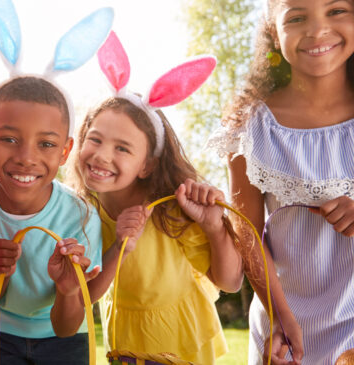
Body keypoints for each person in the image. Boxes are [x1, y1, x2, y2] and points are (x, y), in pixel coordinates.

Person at [208, 0, 354, 363]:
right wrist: (278, 315)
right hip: (280, 316)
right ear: (272, 33)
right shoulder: (249, 128)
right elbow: (246, 233)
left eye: (336, 10)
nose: (316, 29)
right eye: (296, 17)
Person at [70, 95, 243, 364]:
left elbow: (231, 282)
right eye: (95, 139)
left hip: (182, 343)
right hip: (126, 340)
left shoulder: (170, 211)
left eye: (123, 148)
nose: (102, 155)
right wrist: (119, 248)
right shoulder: (82, 214)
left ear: (147, 165)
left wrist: (214, 227)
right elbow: (83, 294)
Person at [0, 76, 103, 365]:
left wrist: (66, 289)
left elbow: (66, 327)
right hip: (1, 334)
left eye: (46, 144)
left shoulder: (81, 216)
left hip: (66, 340)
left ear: (65, 151)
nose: (26, 158)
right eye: (9, 139)